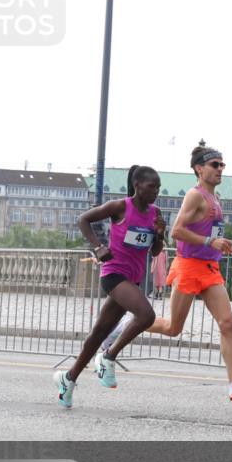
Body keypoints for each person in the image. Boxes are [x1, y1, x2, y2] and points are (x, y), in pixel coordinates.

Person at [143, 141, 232, 403]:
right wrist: (211, 242)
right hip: (188, 266)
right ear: (200, 169)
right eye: (215, 165)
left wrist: (222, 242)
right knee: (173, 328)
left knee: (228, 323)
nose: (220, 169)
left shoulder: (215, 198)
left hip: (210, 269)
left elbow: (207, 232)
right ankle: (126, 325)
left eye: (222, 165)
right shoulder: (195, 195)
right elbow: (176, 231)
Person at [53, 165, 165, 409]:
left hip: (133, 279)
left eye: (158, 188)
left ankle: (68, 379)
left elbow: (154, 251)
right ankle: (109, 356)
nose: (155, 192)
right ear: (137, 185)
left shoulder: (155, 213)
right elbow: (83, 219)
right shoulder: (120, 207)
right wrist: (97, 246)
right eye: (151, 187)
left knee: (99, 332)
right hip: (114, 274)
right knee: (146, 315)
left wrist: (159, 234)